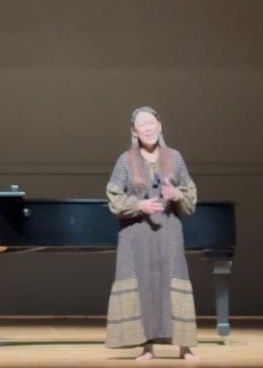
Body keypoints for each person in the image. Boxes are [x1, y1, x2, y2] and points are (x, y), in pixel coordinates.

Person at [105, 107, 198, 361]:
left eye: (151, 122)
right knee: (142, 284)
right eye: (141, 124)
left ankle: (184, 347)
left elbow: (190, 197)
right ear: (134, 131)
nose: (147, 127)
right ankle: (147, 347)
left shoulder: (175, 158)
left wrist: (176, 194)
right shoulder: (125, 160)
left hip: (168, 232)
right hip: (136, 234)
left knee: (174, 281)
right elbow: (114, 197)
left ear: (160, 126)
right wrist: (139, 205)